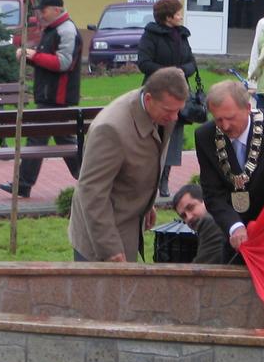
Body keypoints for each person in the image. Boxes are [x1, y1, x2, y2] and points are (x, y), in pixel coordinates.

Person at [68, 66, 188, 262]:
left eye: (178, 111)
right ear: (148, 99)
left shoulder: (161, 110)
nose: (174, 117)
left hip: (127, 221)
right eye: (169, 111)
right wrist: (109, 248)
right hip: (100, 234)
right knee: (106, 283)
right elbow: (91, 192)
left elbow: (147, 154)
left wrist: (146, 202)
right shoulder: (111, 130)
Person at [196, 80, 264, 257]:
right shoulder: (205, 136)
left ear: (248, 108)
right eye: (218, 119)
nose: (225, 126)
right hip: (235, 238)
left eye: (230, 118)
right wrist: (234, 226)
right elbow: (213, 193)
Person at [0, 0, 82, 198]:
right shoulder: (54, 29)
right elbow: (47, 58)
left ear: (57, 9)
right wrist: (29, 56)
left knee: (37, 137)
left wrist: (34, 56)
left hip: (57, 97)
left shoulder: (66, 30)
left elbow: (63, 63)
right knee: (64, 141)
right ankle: (92, 177)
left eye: (44, 11)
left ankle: (23, 184)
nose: (41, 15)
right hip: (50, 96)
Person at [136, 0, 197, 197]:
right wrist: (168, 72)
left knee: (173, 137)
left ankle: (164, 181)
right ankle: (149, 180)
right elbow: (144, 62)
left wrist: (182, 71)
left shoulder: (182, 35)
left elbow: (192, 62)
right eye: (178, 13)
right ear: (168, 17)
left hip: (178, 92)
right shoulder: (151, 35)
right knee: (152, 137)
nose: (181, 16)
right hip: (156, 92)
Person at [171, 184, 230, 265]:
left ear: (205, 201)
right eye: (183, 216)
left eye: (190, 207)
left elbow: (201, 268)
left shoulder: (210, 222)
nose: (189, 217)